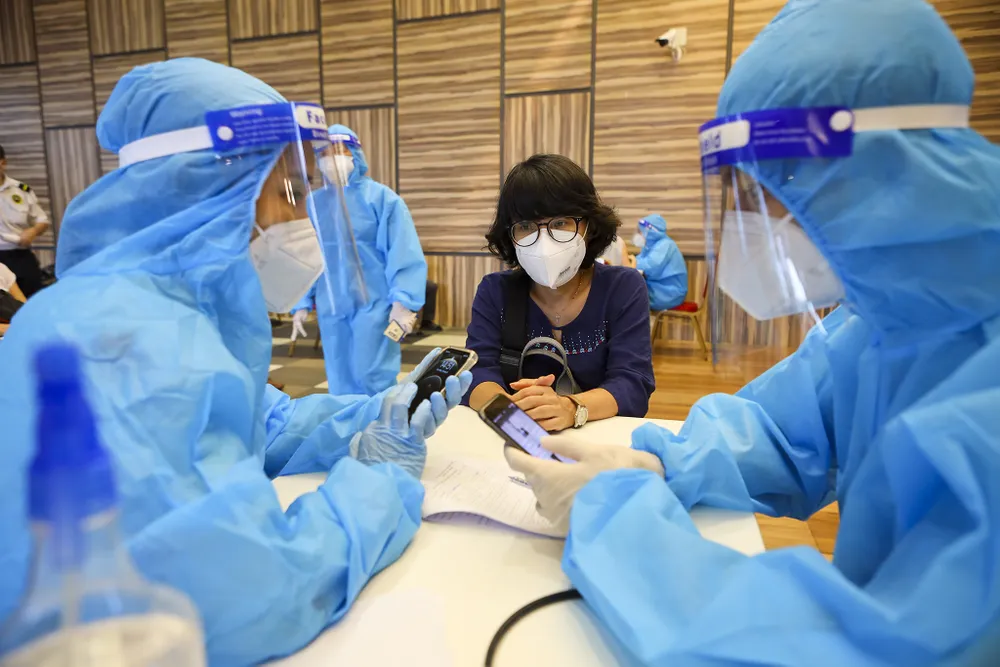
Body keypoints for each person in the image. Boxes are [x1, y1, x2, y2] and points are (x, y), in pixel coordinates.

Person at [506, 0, 1000, 663]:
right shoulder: (888, 319)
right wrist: (660, 462)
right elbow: (779, 429)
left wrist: (613, 516)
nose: (754, 217)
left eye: (774, 183)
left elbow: (876, 649)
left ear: (881, 166)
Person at [0, 58, 471, 666]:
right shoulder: (125, 339)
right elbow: (258, 596)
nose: (304, 218)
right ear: (208, 187)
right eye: (290, 191)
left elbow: (260, 422)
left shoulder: (159, 307)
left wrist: (376, 415)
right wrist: (380, 480)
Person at [464, 154, 655, 431]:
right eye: (526, 226)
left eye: (561, 223)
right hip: (516, 439)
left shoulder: (623, 287)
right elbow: (476, 372)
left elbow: (633, 383)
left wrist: (570, 408)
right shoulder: (495, 291)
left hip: (598, 442)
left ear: (588, 226)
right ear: (510, 235)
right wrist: (509, 409)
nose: (544, 242)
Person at [290, 125, 427, 395]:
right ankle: (347, 421)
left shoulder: (382, 199)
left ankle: (379, 418)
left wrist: (404, 303)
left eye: (339, 151)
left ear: (355, 154)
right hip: (332, 304)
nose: (332, 159)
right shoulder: (314, 204)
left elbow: (403, 251)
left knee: (372, 372)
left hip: (374, 304)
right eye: (325, 153)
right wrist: (301, 301)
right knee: (338, 373)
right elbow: (306, 255)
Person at [0, 144, 50, 298]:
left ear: (3, 163)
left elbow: (42, 220)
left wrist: (33, 231)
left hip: (21, 256)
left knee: (34, 302)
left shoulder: (21, 190)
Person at [633, 214, 688, 311]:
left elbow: (651, 267)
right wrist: (630, 261)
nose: (638, 235)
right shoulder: (650, 247)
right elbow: (640, 260)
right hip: (659, 289)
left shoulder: (665, 245)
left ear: (650, 231)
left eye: (640, 232)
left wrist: (630, 262)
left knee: (631, 295)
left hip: (670, 293)